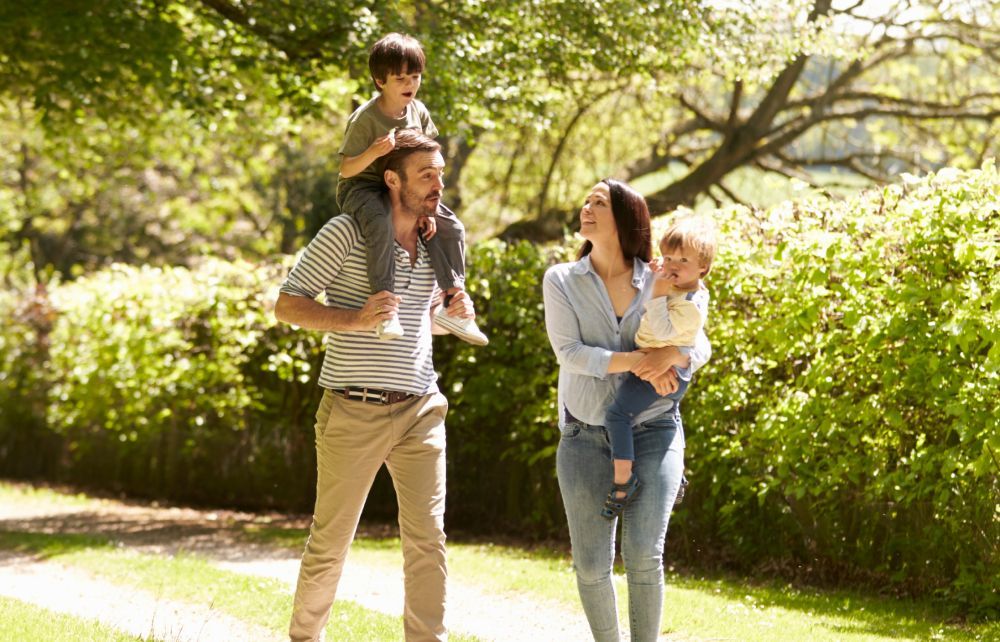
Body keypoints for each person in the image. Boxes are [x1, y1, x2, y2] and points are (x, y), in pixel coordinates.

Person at [276, 130, 474, 642]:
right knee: (332, 540)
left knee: (428, 541)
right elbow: (288, 303)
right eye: (426, 174)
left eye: (440, 173)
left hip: (421, 407)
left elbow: (416, 319)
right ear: (392, 179)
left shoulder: (439, 239)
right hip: (352, 408)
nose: (438, 184)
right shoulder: (346, 232)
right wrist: (356, 319)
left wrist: (449, 314)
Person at [543, 179, 710, 642]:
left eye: (599, 201)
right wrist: (642, 361)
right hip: (583, 435)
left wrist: (673, 357)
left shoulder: (659, 275)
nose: (586, 207)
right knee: (593, 566)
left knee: (643, 556)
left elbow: (700, 341)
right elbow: (571, 354)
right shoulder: (562, 279)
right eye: (586, 200)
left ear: (625, 216)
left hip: (655, 428)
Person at [337, 31, 487, 346]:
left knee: (452, 227)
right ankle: (385, 305)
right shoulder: (365, 119)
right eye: (400, 78)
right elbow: (346, 168)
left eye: (415, 77)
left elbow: (429, 154)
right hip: (364, 186)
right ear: (380, 81)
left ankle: (451, 303)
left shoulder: (418, 112)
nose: (410, 85)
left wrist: (425, 208)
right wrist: (374, 153)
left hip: (404, 188)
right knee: (380, 221)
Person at [601, 216, 715, 519]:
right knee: (668, 412)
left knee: (618, 415)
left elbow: (664, 332)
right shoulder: (678, 285)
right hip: (659, 362)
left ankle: (624, 480)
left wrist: (658, 293)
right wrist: (659, 278)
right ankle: (676, 474)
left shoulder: (692, 305)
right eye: (668, 257)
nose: (672, 265)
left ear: (703, 266)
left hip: (665, 370)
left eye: (683, 260)